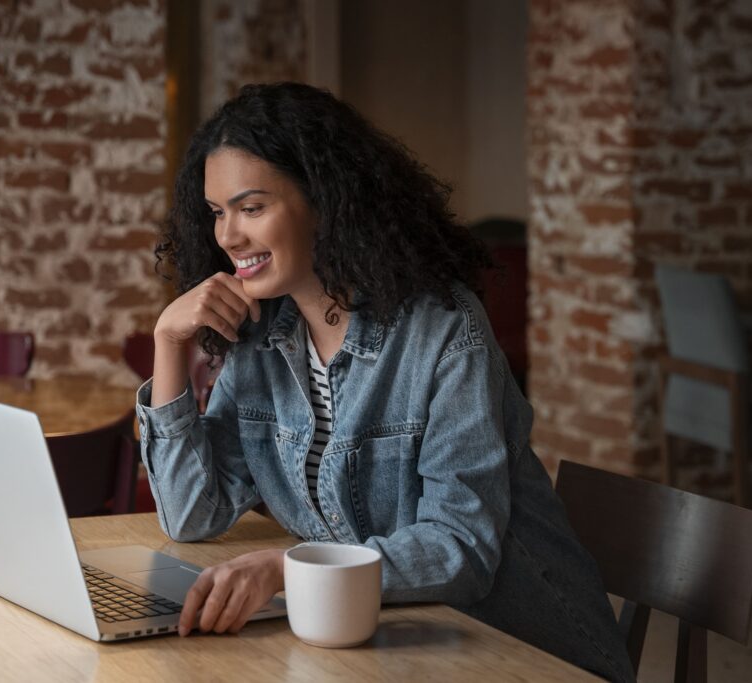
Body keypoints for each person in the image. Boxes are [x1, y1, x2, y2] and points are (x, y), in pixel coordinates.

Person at [135, 82, 634, 682]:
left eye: (252, 208)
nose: (227, 236)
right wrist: (168, 342)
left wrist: (290, 571)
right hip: (397, 648)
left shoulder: (444, 330)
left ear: (324, 200)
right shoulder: (262, 337)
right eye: (218, 212)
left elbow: (460, 548)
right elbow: (191, 515)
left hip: (527, 654)